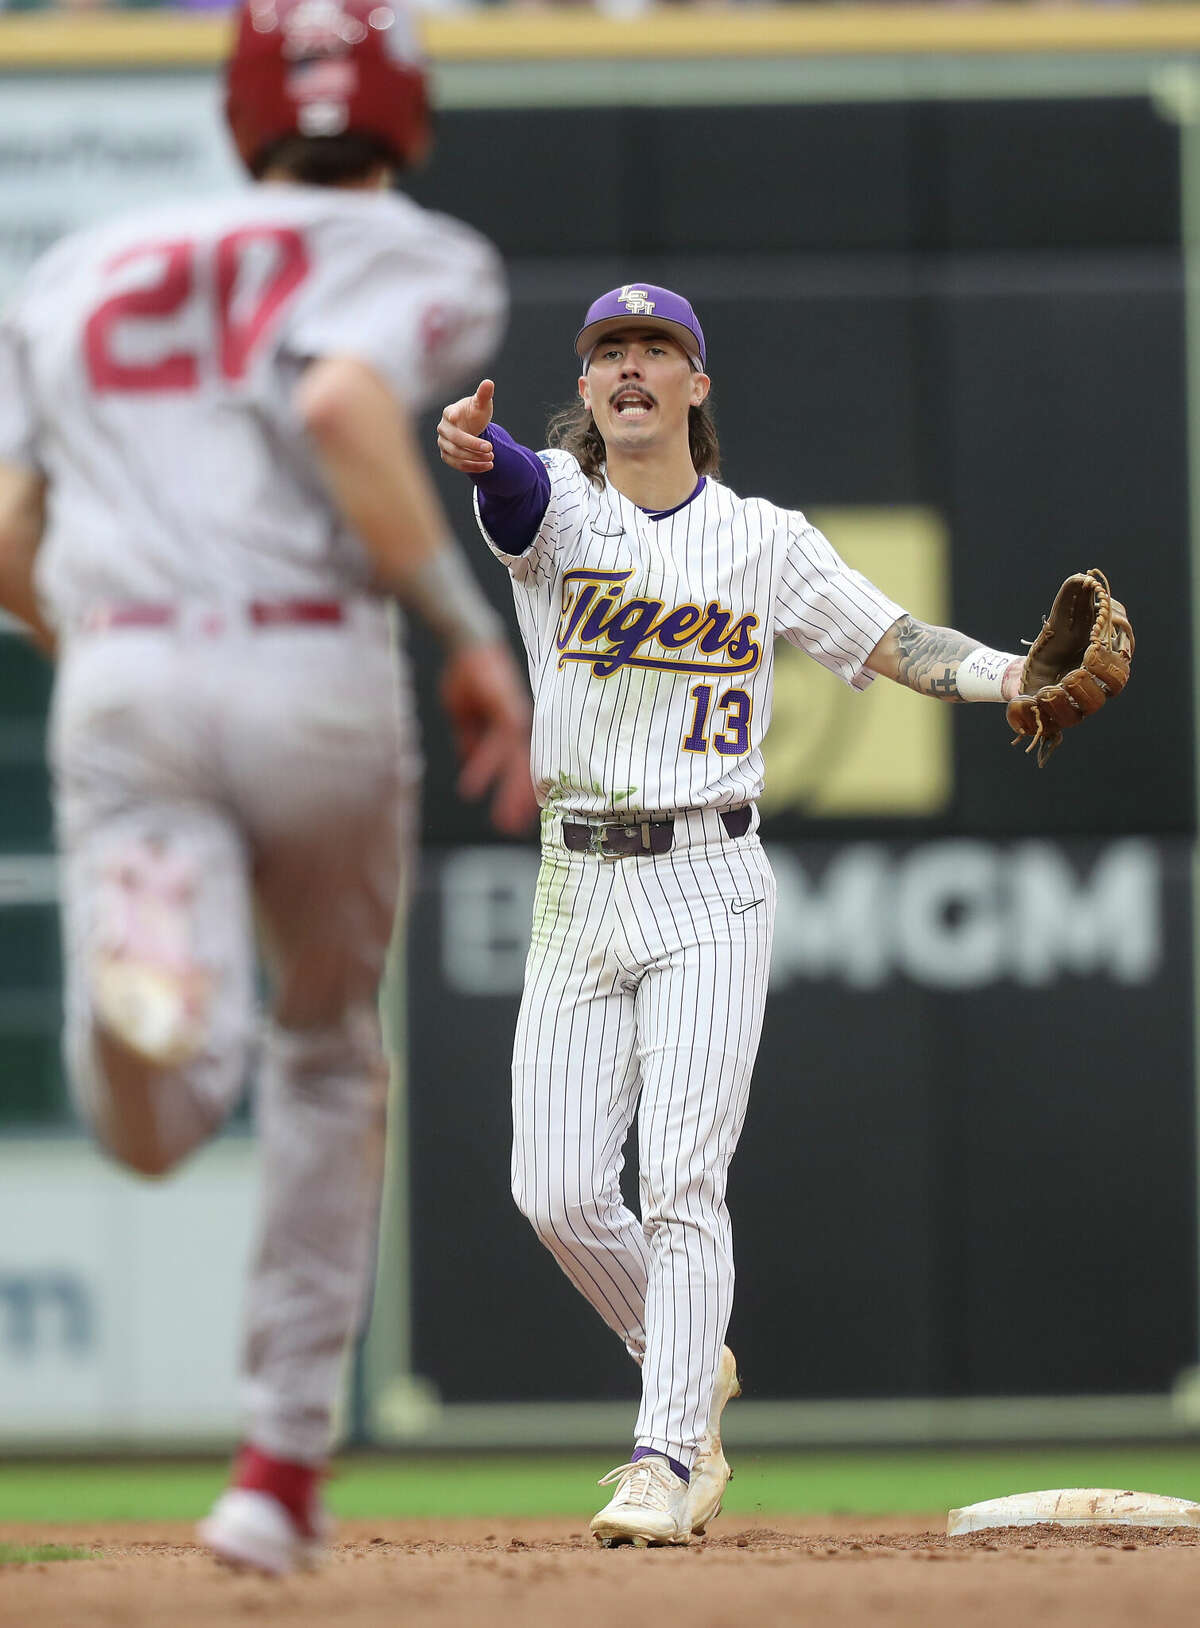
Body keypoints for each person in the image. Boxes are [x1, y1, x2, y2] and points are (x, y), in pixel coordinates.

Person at [0, 0, 535, 1577]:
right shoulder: (430, 255)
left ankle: (146, 988)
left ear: (244, 111)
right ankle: (274, 1476)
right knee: (323, 1058)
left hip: (130, 658)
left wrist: (99, 652)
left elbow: (6, 541)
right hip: (315, 664)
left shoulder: (80, 263)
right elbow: (338, 404)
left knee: (158, 1131)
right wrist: (465, 631)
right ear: (407, 118)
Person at [436, 282, 1031, 1548]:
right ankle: (683, 1350)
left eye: (657, 348)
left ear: (698, 386)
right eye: (610, 353)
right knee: (550, 1187)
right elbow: (511, 500)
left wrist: (1012, 677)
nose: (631, 366)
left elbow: (896, 640)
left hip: (710, 878)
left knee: (682, 1180)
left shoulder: (766, 538)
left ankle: (667, 1454)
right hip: (575, 878)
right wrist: (481, 453)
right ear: (589, 392)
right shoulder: (561, 503)